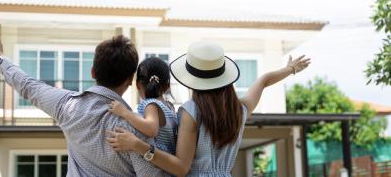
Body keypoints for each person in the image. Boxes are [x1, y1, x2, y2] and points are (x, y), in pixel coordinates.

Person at [0, 33, 169, 177]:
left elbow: (28, 86)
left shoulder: (67, 106)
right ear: (129, 80)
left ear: (92, 72)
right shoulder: (136, 130)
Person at [107, 40, 310, 176]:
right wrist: (290, 69)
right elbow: (263, 81)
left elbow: (181, 168)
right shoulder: (239, 110)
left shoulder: (190, 112)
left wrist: (137, 145)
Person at [109, 57, 177, 154]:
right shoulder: (169, 107)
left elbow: (151, 129)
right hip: (167, 160)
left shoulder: (150, 105)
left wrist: (125, 112)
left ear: (137, 85)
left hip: (156, 161)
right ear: (167, 86)